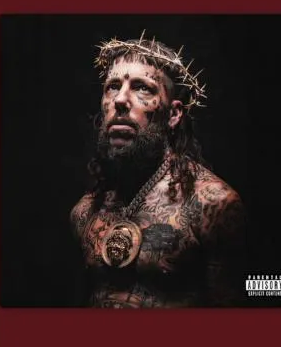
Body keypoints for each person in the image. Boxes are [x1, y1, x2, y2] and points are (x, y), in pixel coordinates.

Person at [69, 34, 247, 308]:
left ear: (173, 115)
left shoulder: (212, 207)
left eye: (142, 88)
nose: (120, 100)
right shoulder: (84, 212)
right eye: (112, 87)